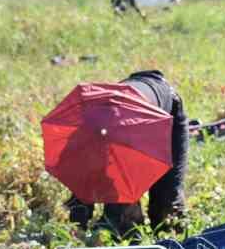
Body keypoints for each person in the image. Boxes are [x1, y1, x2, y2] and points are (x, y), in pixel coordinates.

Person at [66, 69, 188, 235]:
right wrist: (77, 229)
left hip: (166, 107)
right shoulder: (85, 137)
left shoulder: (133, 131)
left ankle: (169, 248)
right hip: (128, 101)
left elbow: (130, 188)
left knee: (165, 206)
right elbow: (79, 198)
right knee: (113, 205)